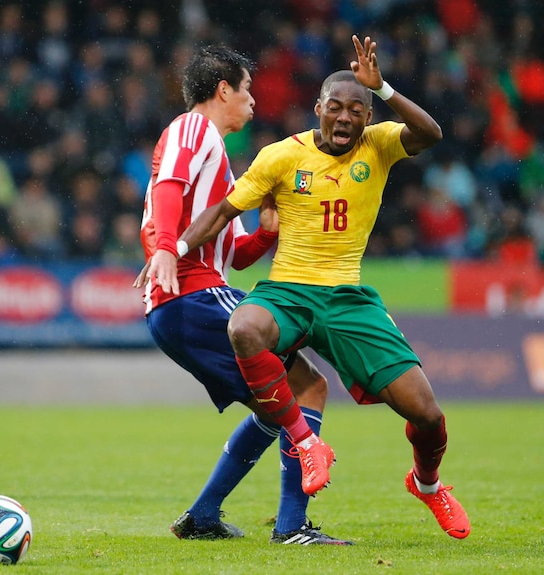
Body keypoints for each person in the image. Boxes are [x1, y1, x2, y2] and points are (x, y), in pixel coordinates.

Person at [140, 35, 471, 539]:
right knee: (251, 331)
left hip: (346, 299)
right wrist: (172, 248)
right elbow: (214, 211)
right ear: (317, 109)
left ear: (367, 115)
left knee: (425, 414)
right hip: (287, 292)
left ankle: (427, 484)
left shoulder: (378, 144)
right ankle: (293, 513)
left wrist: (381, 85)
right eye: (334, 108)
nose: (344, 118)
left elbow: (430, 132)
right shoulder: (271, 155)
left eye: (356, 110)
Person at [136, 45, 350, 545]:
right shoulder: (194, 128)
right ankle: (293, 526)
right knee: (308, 388)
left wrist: (268, 233)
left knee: (274, 406)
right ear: (222, 90)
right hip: (193, 296)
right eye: (247, 89)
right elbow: (168, 188)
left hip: (183, 304)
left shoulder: (218, 160)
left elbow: (235, 253)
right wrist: (166, 249)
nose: (253, 100)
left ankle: (203, 516)